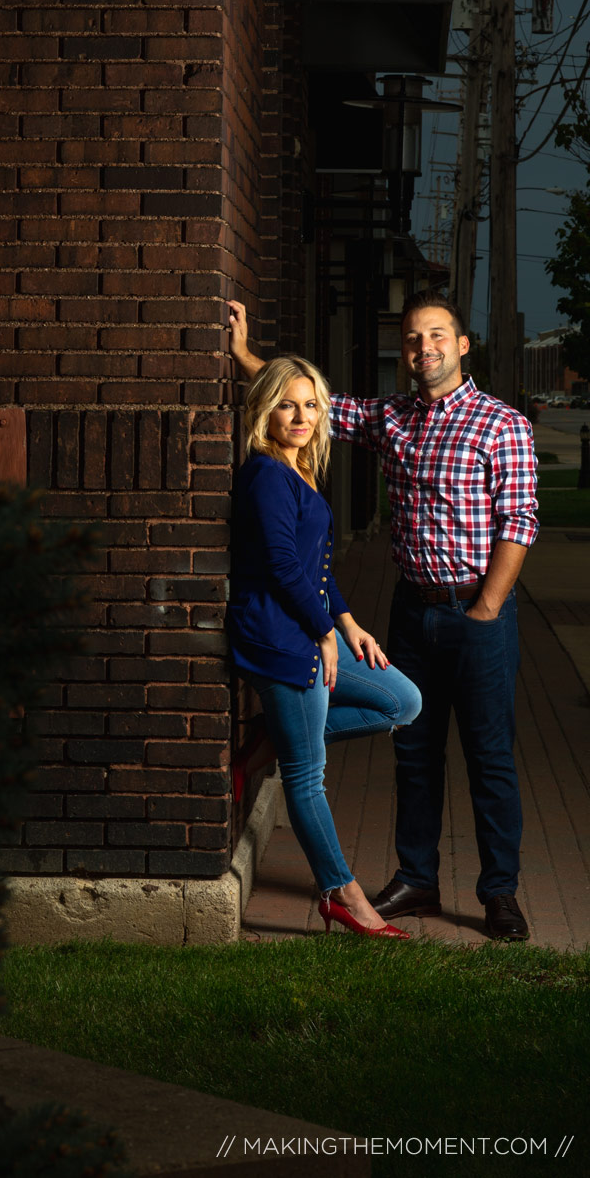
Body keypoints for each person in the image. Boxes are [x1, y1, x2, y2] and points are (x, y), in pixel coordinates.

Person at [228, 291, 539, 941]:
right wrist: (244, 355)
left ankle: (499, 894)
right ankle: (417, 880)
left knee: (489, 758)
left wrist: (484, 609)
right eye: (412, 339)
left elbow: (519, 523)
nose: (424, 349)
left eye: (437, 336)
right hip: (411, 607)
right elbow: (310, 404)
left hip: (476, 612)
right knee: (415, 751)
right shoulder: (391, 419)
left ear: (462, 346)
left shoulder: (500, 423)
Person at [228, 353, 422, 938]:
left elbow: (316, 567)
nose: (301, 415)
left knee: (402, 701)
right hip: (280, 638)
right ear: (264, 409)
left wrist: (348, 623)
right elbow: (285, 568)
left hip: (309, 629)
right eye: (287, 403)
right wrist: (322, 633)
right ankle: (343, 895)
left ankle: (271, 736)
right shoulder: (264, 473)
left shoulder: (298, 470)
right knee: (306, 776)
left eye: (311, 405)